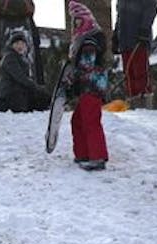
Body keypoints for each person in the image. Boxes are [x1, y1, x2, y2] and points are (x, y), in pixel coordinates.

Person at [59, 0, 110, 170]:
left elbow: (86, 66)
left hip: (92, 88)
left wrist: (71, 79)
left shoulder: (89, 43)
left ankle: (97, 156)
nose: (76, 25)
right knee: (78, 120)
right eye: (74, 21)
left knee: (90, 121)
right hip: (85, 90)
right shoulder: (82, 43)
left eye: (79, 21)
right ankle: (83, 153)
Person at [113, 0, 157, 106]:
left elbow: (151, 9)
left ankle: (144, 100)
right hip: (124, 40)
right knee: (128, 73)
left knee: (140, 71)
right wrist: (115, 35)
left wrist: (144, 29)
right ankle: (132, 100)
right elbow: (119, 17)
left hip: (138, 39)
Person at [0, 29, 45, 112]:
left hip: (18, 92)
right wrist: (36, 87)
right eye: (17, 44)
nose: (20, 46)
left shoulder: (21, 58)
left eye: (22, 44)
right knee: (39, 95)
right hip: (10, 96)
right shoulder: (10, 57)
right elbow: (20, 77)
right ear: (12, 45)